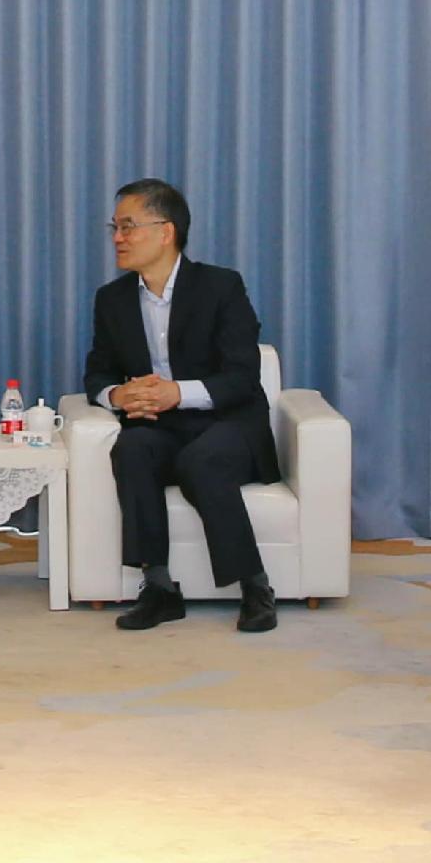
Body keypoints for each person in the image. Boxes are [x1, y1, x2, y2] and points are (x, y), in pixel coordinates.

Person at [88, 179, 278, 635]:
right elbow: (97, 374)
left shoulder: (221, 287)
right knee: (132, 450)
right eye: (115, 227)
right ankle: (158, 589)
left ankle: (254, 586)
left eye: (128, 226)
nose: (118, 237)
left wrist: (178, 392)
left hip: (228, 423)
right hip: (160, 428)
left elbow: (241, 377)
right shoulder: (112, 300)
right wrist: (116, 396)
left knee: (203, 460)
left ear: (166, 231)